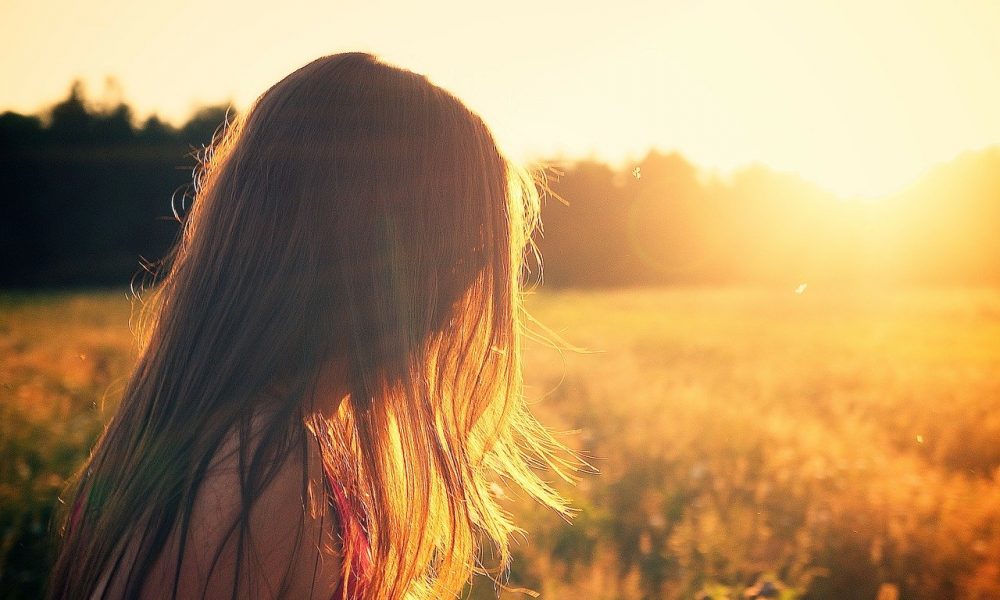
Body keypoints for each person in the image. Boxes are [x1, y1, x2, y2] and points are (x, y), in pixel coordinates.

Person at [48, 52, 575, 600]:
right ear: (390, 259)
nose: (468, 292)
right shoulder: (257, 472)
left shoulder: (234, 440)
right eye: (468, 249)